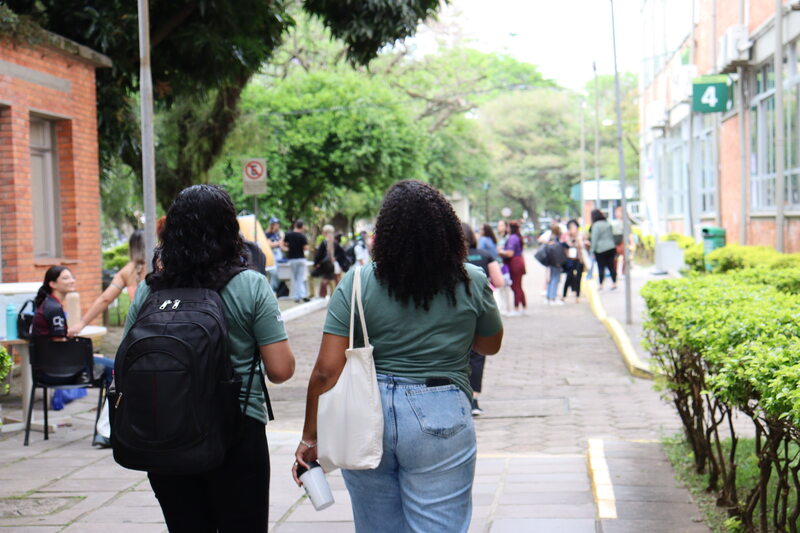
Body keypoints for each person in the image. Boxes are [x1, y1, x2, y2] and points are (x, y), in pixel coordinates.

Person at [293, 180, 503, 533]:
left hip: (365, 413)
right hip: (442, 410)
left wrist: (310, 437)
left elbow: (326, 372)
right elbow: (489, 345)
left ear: (385, 232)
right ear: (447, 231)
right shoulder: (470, 279)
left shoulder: (357, 282)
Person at [125, 184, 296, 531]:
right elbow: (280, 370)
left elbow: (125, 363)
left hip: (164, 429)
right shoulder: (250, 285)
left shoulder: (149, 289)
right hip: (236, 429)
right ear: (229, 229)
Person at [32, 266, 115, 401]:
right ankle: (112, 418)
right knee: (115, 369)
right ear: (52, 284)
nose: (72, 281)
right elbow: (59, 345)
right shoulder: (53, 308)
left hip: (51, 367)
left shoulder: (49, 304)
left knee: (108, 365)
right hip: (58, 371)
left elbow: (56, 341)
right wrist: (87, 355)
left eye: (72, 277)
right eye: (65, 278)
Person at [68, 231, 146, 336]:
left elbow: (105, 299)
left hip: (139, 327)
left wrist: (81, 324)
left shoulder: (127, 271)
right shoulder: (163, 267)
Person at [462, 223, 504, 417]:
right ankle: (474, 398)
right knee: (478, 355)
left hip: (456, 308)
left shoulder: (447, 258)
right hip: (479, 308)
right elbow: (499, 282)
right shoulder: (485, 255)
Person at [498, 220, 527, 316]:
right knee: (518, 286)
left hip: (515, 263)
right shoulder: (516, 237)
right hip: (518, 262)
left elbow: (510, 253)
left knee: (516, 286)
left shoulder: (512, 238)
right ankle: (523, 307)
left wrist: (500, 251)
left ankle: (516, 308)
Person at [313, 224, 349, 299]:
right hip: (334, 265)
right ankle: (336, 296)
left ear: (325, 232)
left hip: (327, 264)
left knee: (325, 279)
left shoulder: (324, 243)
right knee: (335, 280)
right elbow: (342, 253)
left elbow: (319, 255)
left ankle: (323, 296)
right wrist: (336, 258)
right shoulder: (335, 242)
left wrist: (316, 263)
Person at [590, 209, 617, 290]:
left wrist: (592, 250)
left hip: (600, 249)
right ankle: (614, 283)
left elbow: (594, 238)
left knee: (601, 267)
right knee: (611, 266)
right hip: (611, 247)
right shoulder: (607, 223)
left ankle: (601, 284)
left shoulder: (596, 225)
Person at [283, 219, 310, 302]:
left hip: (291, 259)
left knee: (294, 278)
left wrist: (286, 249)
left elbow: (283, 243)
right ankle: (301, 295)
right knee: (300, 278)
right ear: (302, 227)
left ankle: (297, 296)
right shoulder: (302, 236)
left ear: (295, 225)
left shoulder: (288, 235)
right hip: (301, 258)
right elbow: (306, 248)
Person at [562, 219, 586, 303]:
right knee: (569, 277)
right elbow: (566, 246)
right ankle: (563, 295)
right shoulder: (567, 237)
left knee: (578, 277)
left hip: (579, 259)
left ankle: (577, 296)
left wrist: (577, 239)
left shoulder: (580, 236)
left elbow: (581, 246)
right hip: (570, 260)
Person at [494, 220, 514, 315]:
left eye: (502, 225)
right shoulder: (498, 238)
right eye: (499, 225)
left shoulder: (508, 238)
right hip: (498, 264)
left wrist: (500, 251)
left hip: (504, 265)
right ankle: (502, 307)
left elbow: (507, 251)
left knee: (505, 287)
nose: (499, 227)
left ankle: (508, 308)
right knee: (499, 287)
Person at [545, 223, 564, 306]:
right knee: (555, 279)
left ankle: (549, 297)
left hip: (550, 261)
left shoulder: (550, 238)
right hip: (556, 261)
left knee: (551, 278)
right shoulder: (556, 239)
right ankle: (552, 298)